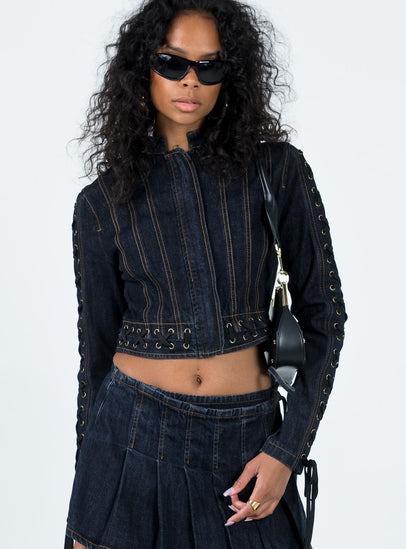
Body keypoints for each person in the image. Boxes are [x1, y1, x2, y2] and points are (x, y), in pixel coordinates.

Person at [65, 1, 346, 548]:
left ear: (229, 75)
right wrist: (88, 493)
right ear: (142, 68)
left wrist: (287, 451)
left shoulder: (277, 171)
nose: (190, 80)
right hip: (128, 444)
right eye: (172, 62)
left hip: (247, 451)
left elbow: (325, 317)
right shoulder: (100, 203)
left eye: (209, 66)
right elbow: (95, 357)